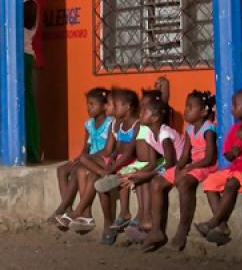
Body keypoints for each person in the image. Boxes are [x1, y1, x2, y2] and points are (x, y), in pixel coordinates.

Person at [194, 88, 242, 246]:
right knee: (210, 182)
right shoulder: (236, 129)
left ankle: (212, 222)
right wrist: (233, 153)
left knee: (232, 182)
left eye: (235, 105)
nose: (231, 108)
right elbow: (227, 155)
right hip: (237, 168)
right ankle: (222, 227)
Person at [60, 89, 139, 244]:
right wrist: (93, 159)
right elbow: (109, 150)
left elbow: (129, 153)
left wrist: (110, 166)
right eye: (112, 105)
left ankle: (84, 214)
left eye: (113, 105)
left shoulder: (135, 124)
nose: (111, 109)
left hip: (128, 163)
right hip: (114, 162)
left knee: (97, 180)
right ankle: (97, 217)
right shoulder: (115, 124)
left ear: (127, 107)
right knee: (87, 166)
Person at [143, 91, 217, 251]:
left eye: (190, 107)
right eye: (186, 106)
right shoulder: (190, 128)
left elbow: (209, 157)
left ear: (203, 112)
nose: (185, 110)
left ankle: (183, 229)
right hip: (191, 164)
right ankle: (157, 231)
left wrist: (188, 169)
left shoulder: (209, 129)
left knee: (184, 183)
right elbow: (184, 154)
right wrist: (178, 169)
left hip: (205, 165)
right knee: (157, 183)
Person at [119, 99, 185, 242]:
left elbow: (170, 163)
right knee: (142, 178)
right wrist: (137, 173)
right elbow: (152, 162)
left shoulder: (164, 134)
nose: (140, 114)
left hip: (181, 166)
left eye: (144, 112)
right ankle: (146, 221)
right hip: (170, 165)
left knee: (153, 181)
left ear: (155, 118)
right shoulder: (149, 134)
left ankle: (154, 227)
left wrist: (146, 174)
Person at [48, 88, 113, 225]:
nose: (88, 108)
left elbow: (109, 149)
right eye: (87, 104)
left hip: (100, 160)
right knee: (62, 170)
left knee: (79, 170)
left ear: (104, 106)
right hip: (89, 158)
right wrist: (79, 157)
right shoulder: (88, 124)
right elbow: (86, 147)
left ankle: (66, 209)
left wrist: (85, 159)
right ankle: (68, 208)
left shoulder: (110, 123)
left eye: (92, 104)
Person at [23, 0, 46, 163]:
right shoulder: (26, 0)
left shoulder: (29, 3)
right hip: (22, 57)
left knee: (28, 106)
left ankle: (31, 149)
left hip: (24, 56)